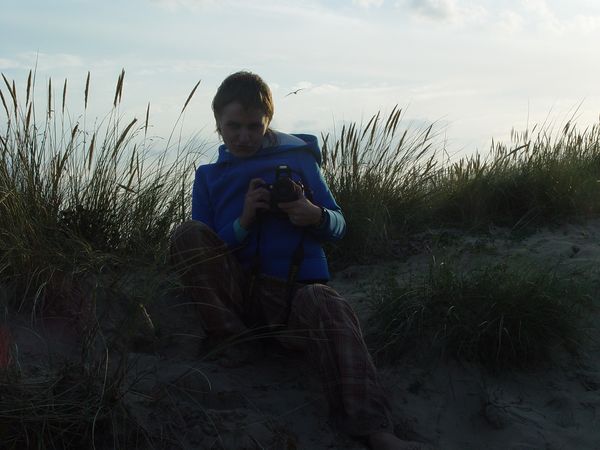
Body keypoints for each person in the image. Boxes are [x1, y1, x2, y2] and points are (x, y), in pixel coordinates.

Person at [170, 71, 427, 450]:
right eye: (233, 127)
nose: (244, 136)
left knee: (327, 301)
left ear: (268, 122)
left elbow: (339, 225)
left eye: (254, 127)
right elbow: (202, 251)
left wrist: (314, 214)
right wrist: (244, 221)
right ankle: (234, 341)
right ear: (218, 124)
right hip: (239, 298)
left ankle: (375, 430)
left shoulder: (299, 162)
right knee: (186, 233)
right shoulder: (208, 177)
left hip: (294, 300)